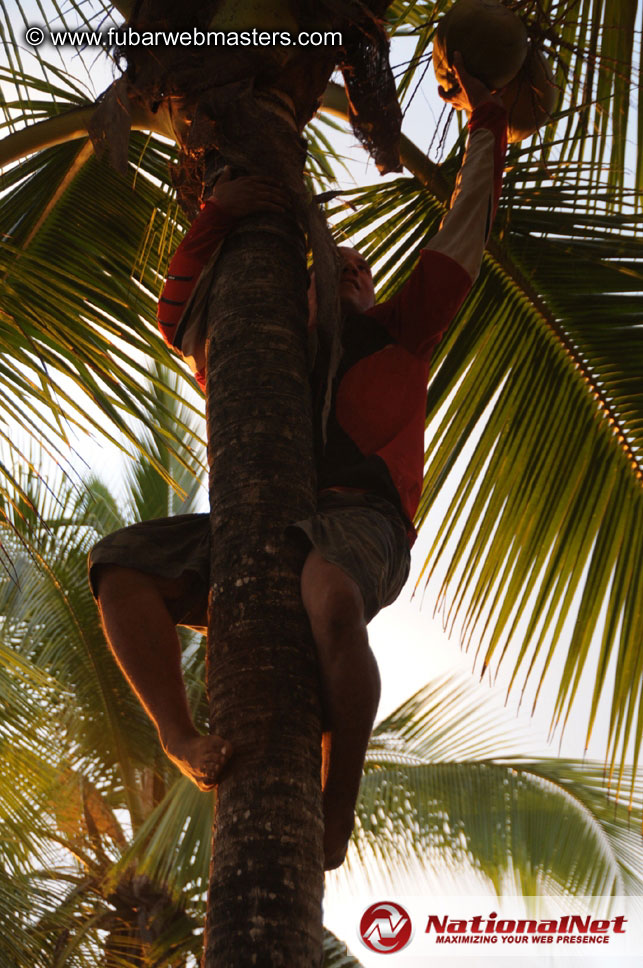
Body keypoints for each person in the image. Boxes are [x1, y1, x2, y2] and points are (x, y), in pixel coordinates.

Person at [88, 56, 508, 870]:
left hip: (359, 520)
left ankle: (336, 801)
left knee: (328, 590)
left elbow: (467, 228)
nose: (346, 273)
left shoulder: (398, 332)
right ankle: (179, 734)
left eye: (359, 271)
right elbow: (179, 319)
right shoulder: (255, 354)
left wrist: (483, 121)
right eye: (329, 267)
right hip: (258, 522)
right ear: (295, 283)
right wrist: (217, 216)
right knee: (119, 565)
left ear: (371, 289)